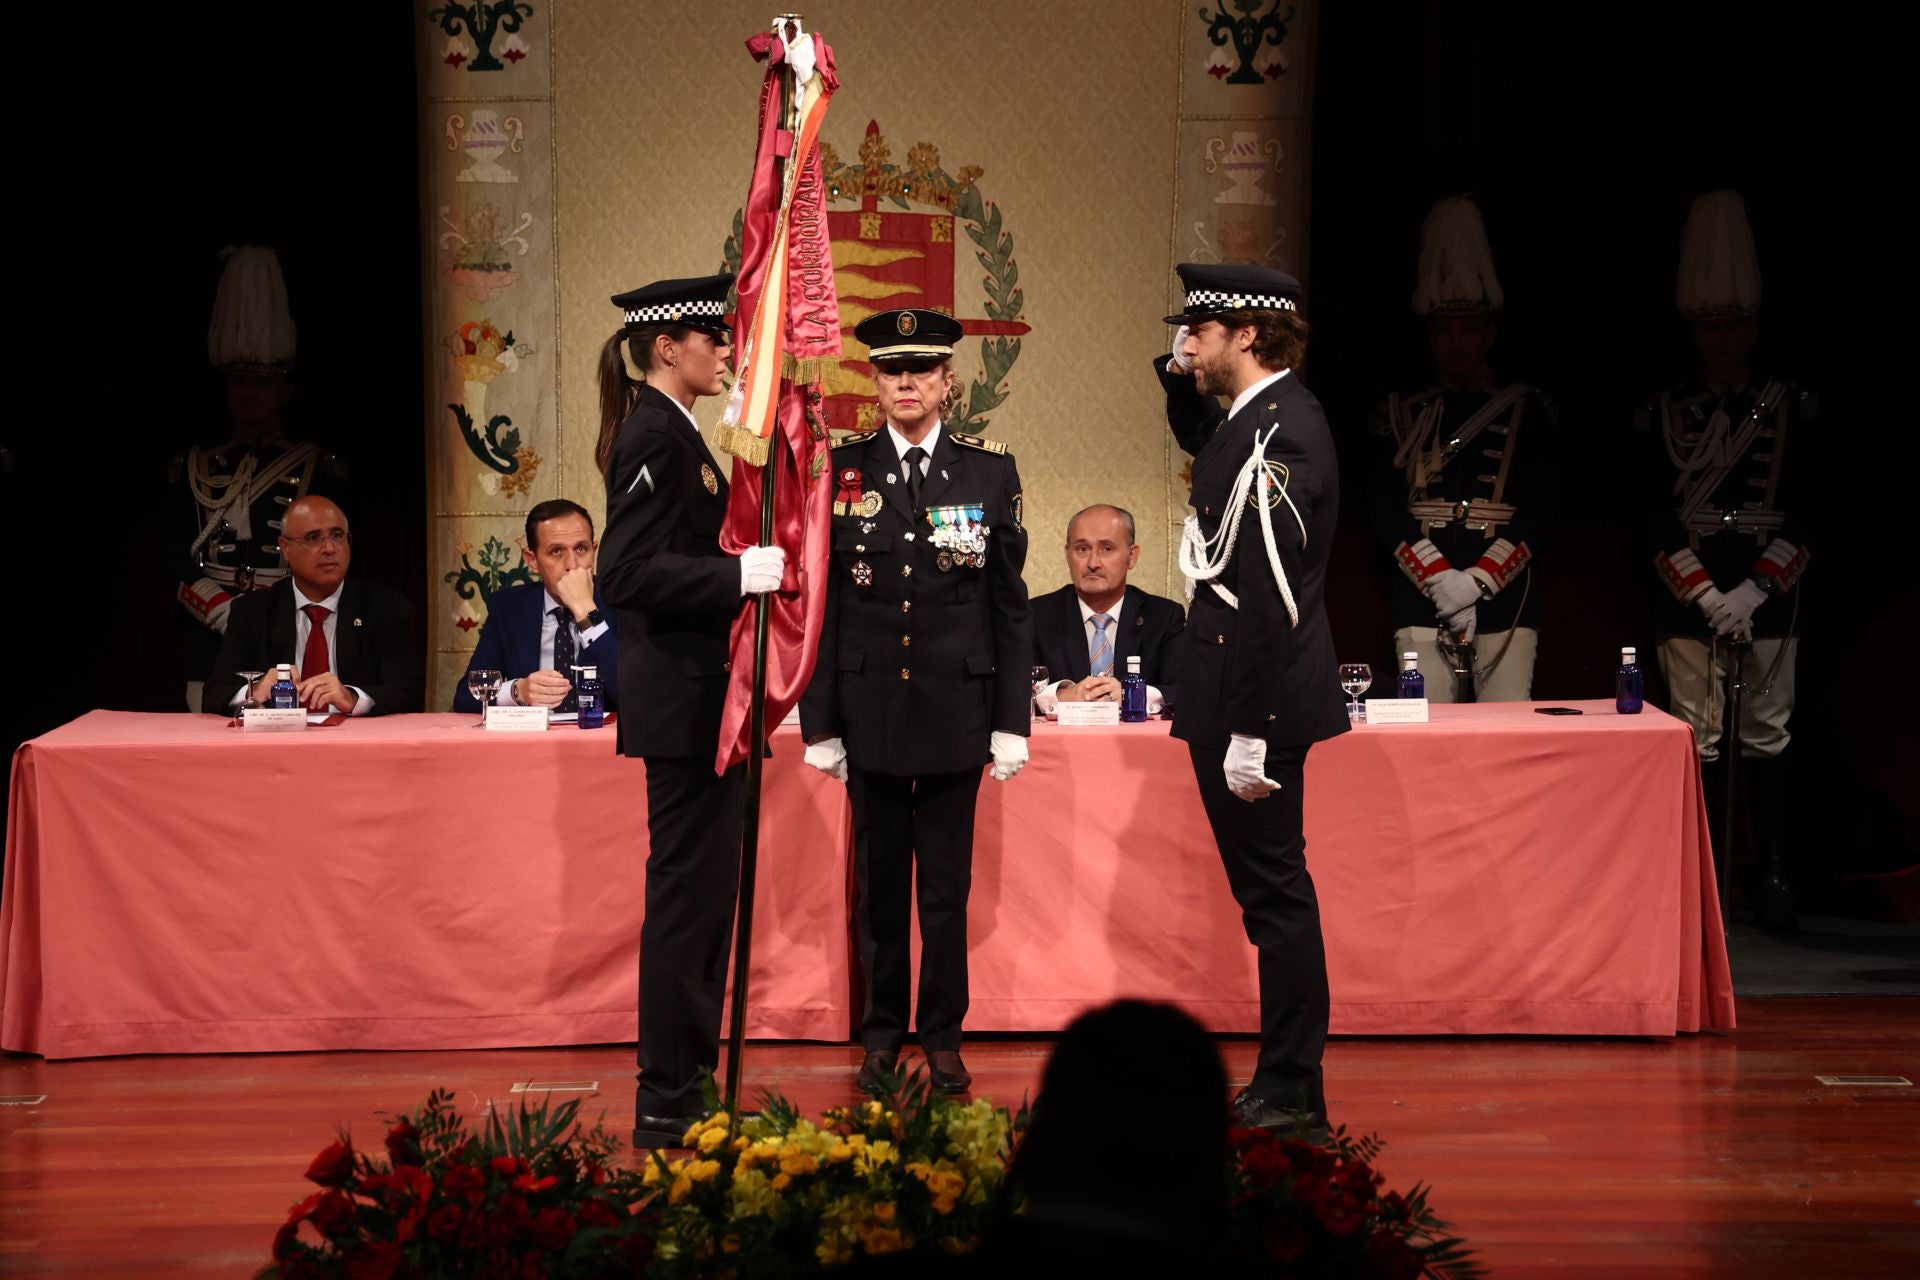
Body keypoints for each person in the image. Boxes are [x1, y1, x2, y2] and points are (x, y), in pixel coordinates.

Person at [799, 307, 1033, 1096]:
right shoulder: (842, 466)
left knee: (944, 890)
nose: (906, 383)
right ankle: (879, 1037)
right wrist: (819, 721)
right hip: (868, 711)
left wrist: (1010, 722)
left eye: (921, 370)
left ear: (947, 382)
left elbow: (1009, 605)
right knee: (878, 890)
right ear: (873, 382)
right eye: (892, 370)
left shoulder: (988, 470)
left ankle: (942, 1037)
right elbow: (823, 604)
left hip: (954, 713)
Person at [593, 273, 787, 1147]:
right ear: (667, 348)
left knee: (706, 901)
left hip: (704, 699)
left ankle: (686, 1081)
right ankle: (667, 1092)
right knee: (685, 901)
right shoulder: (653, 435)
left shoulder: (676, 432)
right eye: (712, 341)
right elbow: (623, 575)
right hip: (683, 702)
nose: (724, 354)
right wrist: (733, 575)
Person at [1156, 262, 1346, 1139]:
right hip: (1230, 684)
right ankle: (1287, 1079)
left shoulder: (1289, 435)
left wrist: (1251, 732)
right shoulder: (1257, 417)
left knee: (1275, 896)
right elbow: (1209, 443)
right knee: (1266, 893)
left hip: (1253, 698)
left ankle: (1291, 1084)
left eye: (1206, 330)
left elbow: (1272, 594)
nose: (1191, 341)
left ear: (1253, 337)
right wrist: (1179, 373)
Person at [1635, 190, 1813, 931]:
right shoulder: (1663, 412)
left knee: (1766, 732)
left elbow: (1810, 504)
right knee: (1699, 736)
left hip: (1769, 592)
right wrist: (1707, 593)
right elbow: (1649, 511)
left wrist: (1757, 589)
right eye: (1708, 326)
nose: (1721, 341)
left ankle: (1770, 873)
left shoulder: (1789, 405)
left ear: (1753, 326)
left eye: (1732, 325)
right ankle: (1704, 876)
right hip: (1691, 593)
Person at [1368, 197, 1556, 701]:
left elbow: (1538, 509)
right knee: (1424, 741)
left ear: (1489, 332)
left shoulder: (1528, 409)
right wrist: (1439, 580)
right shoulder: (1400, 413)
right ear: (1431, 338)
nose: (1457, 343)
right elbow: (1387, 508)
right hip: (1420, 595)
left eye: (1468, 329)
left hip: (1503, 595)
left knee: (1505, 739)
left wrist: (1476, 581)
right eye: (1445, 331)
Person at [174, 246, 347, 710]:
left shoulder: (317, 465)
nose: (249, 393)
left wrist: (268, 610)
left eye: (262, 383)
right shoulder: (196, 465)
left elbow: (330, 553)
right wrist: (219, 607)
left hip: (284, 620)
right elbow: (175, 556)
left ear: (285, 390)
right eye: (238, 382)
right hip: (211, 628)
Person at [202, 495, 420, 715]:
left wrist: (353, 697)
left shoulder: (388, 610)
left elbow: (408, 695)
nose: (329, 548)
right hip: (276, 742)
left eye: (337, 536)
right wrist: (255, 691)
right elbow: (214, 694)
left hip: (357, 742)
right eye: (313, 538)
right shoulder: (253, 612)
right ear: (285, 548)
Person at [452, 498, 620, 712]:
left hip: (601, 740)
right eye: (556, 552)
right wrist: (517, 692)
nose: (572, 565)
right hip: (533, 741)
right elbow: (465, 697)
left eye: (581, 549)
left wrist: (587, 612)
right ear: (532, 560)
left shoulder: (620, 603)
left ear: (594, 551)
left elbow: (635, 696)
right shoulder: (508, 608)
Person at [1030, 504, 1184, 714]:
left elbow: (1183, 690)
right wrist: (1061, 696)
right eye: (1082, 549)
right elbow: (1012, 688)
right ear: (1068, 555)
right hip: (1061, 743)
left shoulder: (1164, 617)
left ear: (1131, 556)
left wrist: (1131, 695)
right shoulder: (1035, 616)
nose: (1093, 563)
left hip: (1137, 745)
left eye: (1107, 549)